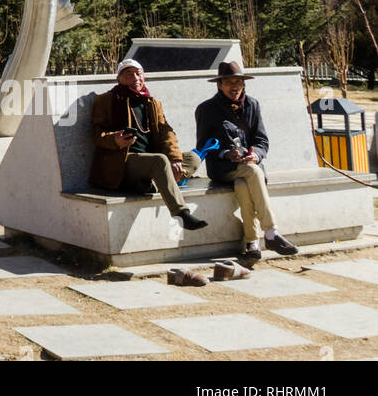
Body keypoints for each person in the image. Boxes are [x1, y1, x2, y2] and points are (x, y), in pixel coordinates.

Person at [195, 59, 298, 260]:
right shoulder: (206, 109)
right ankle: (271, 232)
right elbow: (202, 146)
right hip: (223, 168)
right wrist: (226, 153)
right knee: (253, 172)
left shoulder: (252, 104)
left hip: (249, 166)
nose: (234, 87)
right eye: (229, 82)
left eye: (238, 82)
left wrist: (255, 154)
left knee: (243, 184)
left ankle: (252, 242)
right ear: (220, 84)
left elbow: (261, 140)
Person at [90, 58, 207, 232]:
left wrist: (175, 159)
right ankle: (181, 213)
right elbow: (97, 134)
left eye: (139, 73)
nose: (136, 78)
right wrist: (116, 139)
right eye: (129, 74)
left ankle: (149, 183)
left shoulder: (152, 103)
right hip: (123, 162)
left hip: (150, 161)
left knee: (193, 157)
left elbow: (166, 132)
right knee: (160, 161)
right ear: (119, 79)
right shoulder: (106, 100)